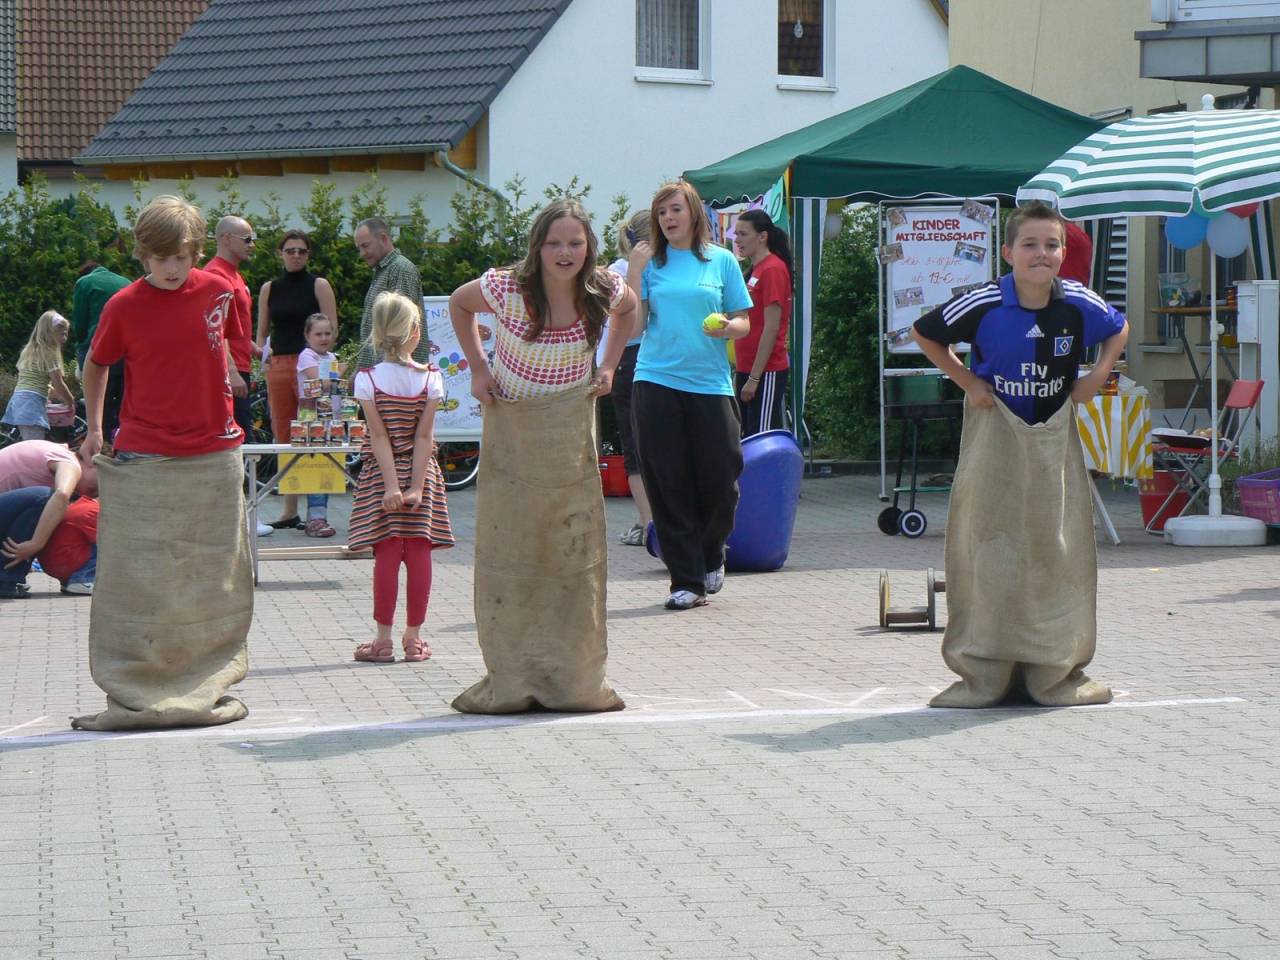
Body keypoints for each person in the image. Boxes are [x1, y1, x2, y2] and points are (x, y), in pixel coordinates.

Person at [912, 200, 1129, 709]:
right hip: (997, 436)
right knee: (991, 547)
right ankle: (986, 671)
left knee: (1056, 548)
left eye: (1051, 245)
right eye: (1029, 245)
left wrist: (1096, 375)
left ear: (1062, 252)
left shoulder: (1078, 302)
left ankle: (1052, 670)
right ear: (1007, 252)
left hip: (1053, 439)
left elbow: (1117, 329)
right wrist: (967, 382)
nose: (1041, 254)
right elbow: (925, 333)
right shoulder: (984, 301)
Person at [448, 198, 638, 713]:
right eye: (554, 242)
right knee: (514, 548)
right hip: (512, 422)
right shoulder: (507, 286)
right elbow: (459, 306)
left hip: (567, 426)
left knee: (567, 551)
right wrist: (479, 367)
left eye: (575, 242)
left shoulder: (601, 288)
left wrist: (610, 366)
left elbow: (630, 310)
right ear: (538, 247)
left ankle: (573, 677)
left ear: (589, 247)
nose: (565, 252)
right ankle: (513, 670)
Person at [74, 195, 252, 731]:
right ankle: (138, 684)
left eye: (182, 256)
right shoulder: (122, 306)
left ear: (197, 250)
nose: (172, 268)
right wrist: (96, 428)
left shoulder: (220, 290)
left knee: (210, 577)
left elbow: (222, 345)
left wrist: (226, 376)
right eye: (161, 258)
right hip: (147, 453)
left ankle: (205, 680)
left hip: (216, 451)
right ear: (142, 255)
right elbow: (97, 365)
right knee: (144, 579)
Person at [626, 181, 752, 611]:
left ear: (694, 213)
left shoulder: (722, 261)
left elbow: (743, 323)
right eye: (661, 212)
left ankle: (712, 552)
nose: (668, 218)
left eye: (675, 209)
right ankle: (687, 581)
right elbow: (631, 328)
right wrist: (634, 273)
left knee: (722, 478)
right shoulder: (651, 264)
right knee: (668, 484)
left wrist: (727, 328)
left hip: (710, 383)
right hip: (656, 380)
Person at [348, 292, 454, 664]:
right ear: (414, 331)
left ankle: (382, 641)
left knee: (388, 554)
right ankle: (414, 639)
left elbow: (378, 437)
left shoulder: (367, 380)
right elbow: (424, 437)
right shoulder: (431, 379)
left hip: (382, 473)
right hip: (423, 471)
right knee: (420, 551)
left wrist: (392, 486)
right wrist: (417, 485)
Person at [256, 228, 339, 529]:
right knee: (284, 435)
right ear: (280, 253)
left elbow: (332, 328)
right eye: (289, 250)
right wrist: (264, 362)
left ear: (308, 254)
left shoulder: (319, 285)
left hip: (311, 366)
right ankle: (289, 509)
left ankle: (317, 513)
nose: (295, 255)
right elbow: (262, 332)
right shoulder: (269, 288)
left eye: (301, 251)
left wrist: (321, 359)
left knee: (315, 432)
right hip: (279, 365)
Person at [607, 210, 655, 546]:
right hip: (631, 357)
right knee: (636, 444)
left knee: (638, 444)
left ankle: (649, 520)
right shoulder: (621, 271)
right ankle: (648, 521)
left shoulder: (625, 269)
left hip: (643, 358)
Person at [0, 439, 98, 599]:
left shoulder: (57, 451)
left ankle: (7, 575)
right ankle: (7, 578)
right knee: (45, 497)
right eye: (100, 479)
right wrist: (36, 543)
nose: (97, 490)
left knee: (49, 509)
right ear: (90, 461)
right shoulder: (69, 463)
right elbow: (61, 495)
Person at [732, 209, 793, 437]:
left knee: (762, 439)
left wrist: (755, 379)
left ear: (762, 236)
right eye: (736, 234)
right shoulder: (755, 270)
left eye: (743, 234)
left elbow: (772, 327)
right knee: (747, 437)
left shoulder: (773, 269)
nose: (737, 239)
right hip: (746, 367)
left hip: (765, 371)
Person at [354, 217, 425, 369]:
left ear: (384, 238)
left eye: (365, 246)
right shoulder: (384, 271)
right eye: (359, 248)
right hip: (383, 373)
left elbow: (402, 327)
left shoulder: (401, 269)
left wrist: (380, 372)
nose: (362, 253)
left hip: (396, 373)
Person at [295, 313, 341, 538]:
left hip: (331, 422)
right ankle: (315, 519)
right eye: (318, 334)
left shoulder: (331, 356)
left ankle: (319, 517)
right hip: (311, 422)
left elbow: (335, 388)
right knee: (316, 470)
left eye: (327, 333)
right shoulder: (307, 356)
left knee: (327, 471)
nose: (323, 338)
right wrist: (340, 372)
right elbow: (320, 383)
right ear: (307, 336)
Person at [2, 310, 76, 441]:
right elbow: (58, 382)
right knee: (36, 444)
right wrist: (70, 401)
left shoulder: (29, 351)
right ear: (49, 332)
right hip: (31, 403)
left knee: (27, 441)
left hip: (20, 399)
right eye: (61, 332)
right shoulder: (50, 353)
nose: (65, 336)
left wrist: (50, 393)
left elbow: (34, 379)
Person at [71, 260, 131, 373]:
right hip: (128, 349)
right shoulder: (127, 282)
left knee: (97, 389)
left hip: (98, 346)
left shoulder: (84, 282)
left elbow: (80, 326)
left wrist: (81, 348)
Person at [36, 495, 98, 595]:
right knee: (110, 545)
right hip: (66, 563)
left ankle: (73, 582)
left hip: (53, 564)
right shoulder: (93, 511)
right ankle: (82, 580)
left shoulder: (81, 505)